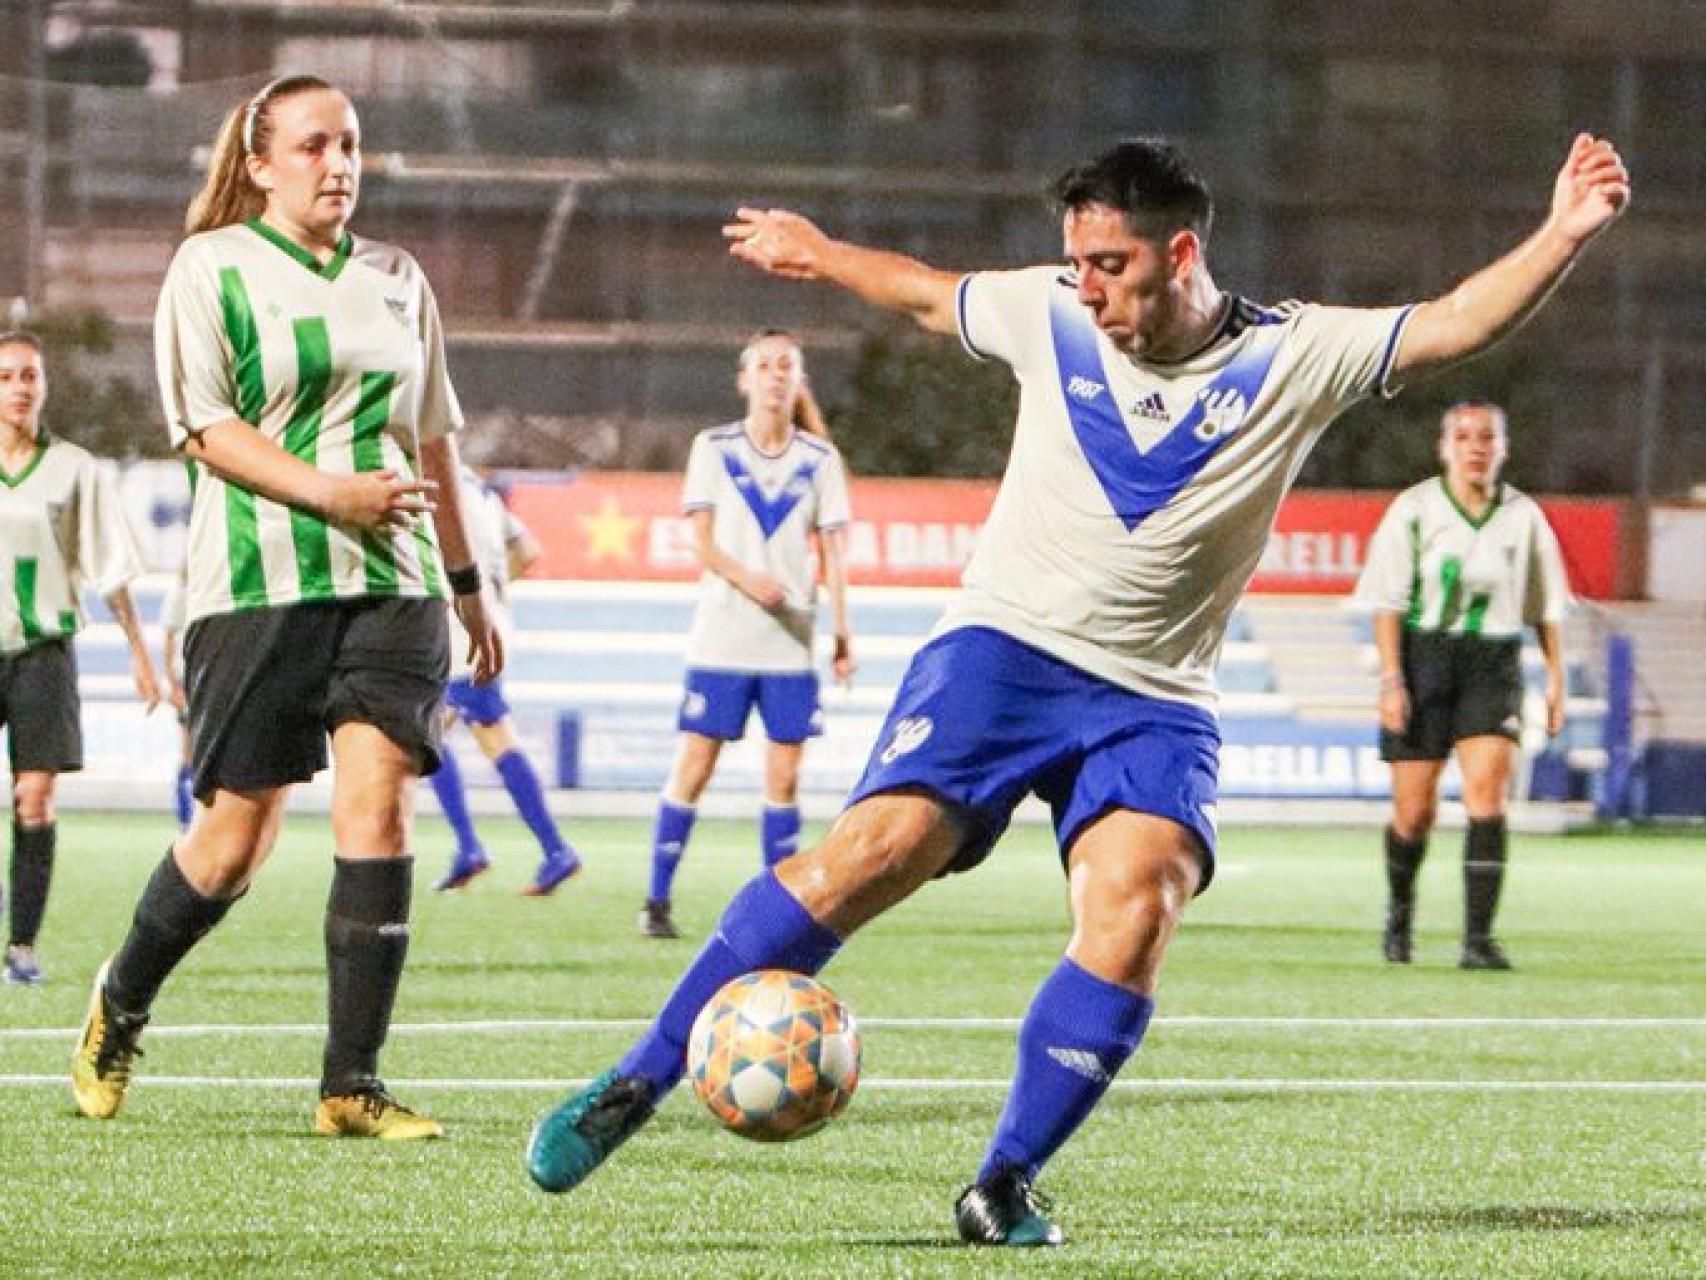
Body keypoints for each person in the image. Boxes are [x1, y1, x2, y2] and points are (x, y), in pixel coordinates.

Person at [525, 133, 1630, 1245]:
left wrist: (1561, 234)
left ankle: (1000, 1178)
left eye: (1107, 263)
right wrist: (816, 251)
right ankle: (635, 1079)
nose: (1084, 285)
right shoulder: (1045, 310)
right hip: (1001, 650)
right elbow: (918, 293)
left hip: (1155, 694)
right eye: (1076, 260)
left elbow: (1452, 322)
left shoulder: (1295, 353)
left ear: (1179, 251)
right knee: (869, 852)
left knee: (1137, 905)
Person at [69, 74, 502, 1140]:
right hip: (254, 586)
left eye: (350, 144)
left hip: (393, 581)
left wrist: (465, 580)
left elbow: (432, 440)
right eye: (314, 146)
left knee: (379, 806)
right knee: (232, 843)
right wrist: (327, 492)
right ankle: (120, 998)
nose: (339, 164)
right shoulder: (209, 268)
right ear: (259, 163)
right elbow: (206, 427)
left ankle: (349, 1082)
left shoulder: (401, 278)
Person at [638, 330, 854, 939]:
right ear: (744, 379)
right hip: (722, 639)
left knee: (783, 780)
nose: (775, 375)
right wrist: (748, 578)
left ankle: (774, 916)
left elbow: (834, 551)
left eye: (787, 365)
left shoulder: (820, 461)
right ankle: (656, 899)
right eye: (764, 365)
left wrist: (842, 630)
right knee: (694, 768)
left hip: (790, 645)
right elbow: (700, 540)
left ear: (798, 379)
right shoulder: (712, 448)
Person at [1356, 402, 1569, 971]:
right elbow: (1386, 602)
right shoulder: (1416, 510)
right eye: (1465, 437)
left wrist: (1555, 678)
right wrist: (1392, 680)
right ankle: (1399, 916)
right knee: (1413, 813)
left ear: (1504, 448)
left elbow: (1545, 607)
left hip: (1492, 662)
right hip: (1424, 657)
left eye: (1488, 438)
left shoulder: (1523, 517)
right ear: (1444, 447)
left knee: (1487, 797)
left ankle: (1478, 940)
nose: (1476, 447)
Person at [0, 332, 160, 986]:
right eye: (6, 376)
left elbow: (110, 565)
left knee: (33, 799)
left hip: (42, 652)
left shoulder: (73, 468)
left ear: (44, 387)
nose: (18, 387)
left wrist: (139, 652)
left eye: (29, 376)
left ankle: (20, 947)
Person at [431, 464, 583, 896]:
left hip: (461, 635)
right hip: (484, 626)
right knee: (438, 735)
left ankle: (548, 849)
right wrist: (490, 591)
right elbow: (527, 550)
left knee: (453, 735)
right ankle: (479, 848)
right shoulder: (477, 487)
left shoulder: (429, 482)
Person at [158, 562, 194, 831]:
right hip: (188, 679)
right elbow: (169, 639)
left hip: (210, 675)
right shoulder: (182, 590)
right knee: (189, 751)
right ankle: (186, 817)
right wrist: (172, 681)